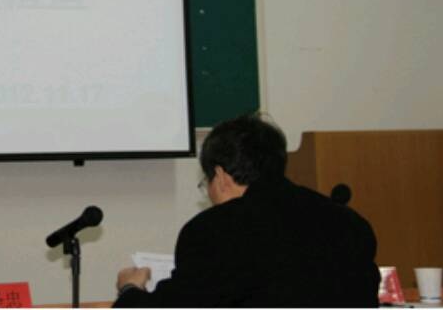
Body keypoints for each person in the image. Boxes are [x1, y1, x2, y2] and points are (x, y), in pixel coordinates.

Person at [114, 114, 379, 307]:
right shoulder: (352, 224)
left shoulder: (213, 230)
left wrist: (129, 289)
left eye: (206, 182)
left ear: (220, 176)